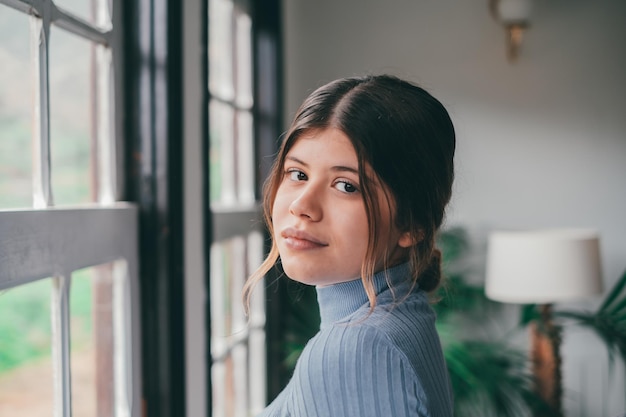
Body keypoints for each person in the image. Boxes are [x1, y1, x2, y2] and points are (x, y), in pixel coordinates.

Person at [243, 74, 455, 417]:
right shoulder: (402, 319)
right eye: (298, 174)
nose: (302, 206)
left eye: (346, 186)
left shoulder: (357, 347)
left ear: (412, 224)